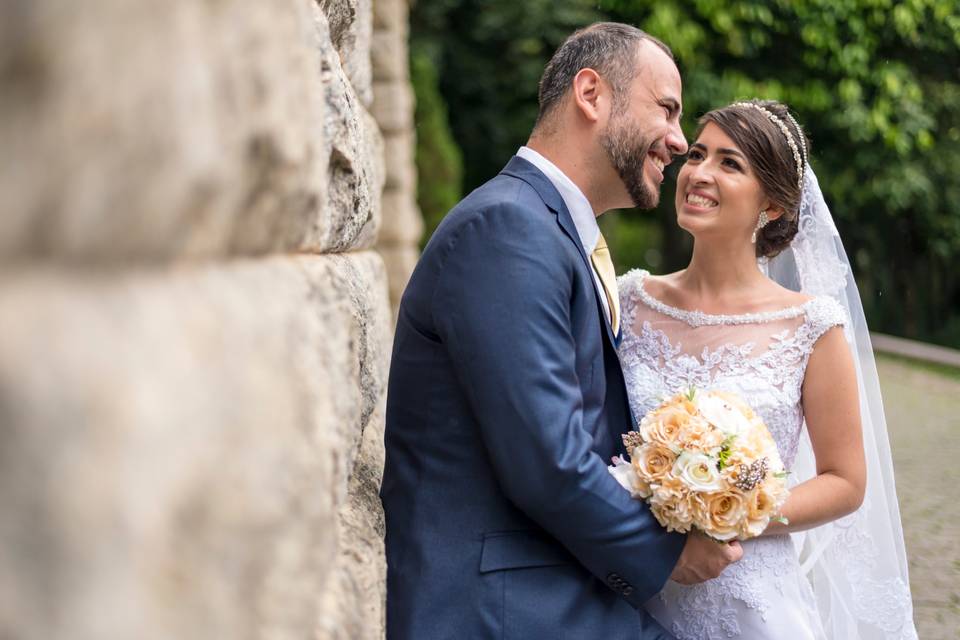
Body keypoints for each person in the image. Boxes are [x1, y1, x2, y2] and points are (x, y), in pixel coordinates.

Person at [380, 23, 741, 640]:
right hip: (501, 603)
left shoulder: (547, 231)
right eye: (667, 109)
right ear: (591, 94)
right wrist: (668, 555)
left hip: (551, 583)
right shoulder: (507, 230)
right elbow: (548, 460)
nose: (679, 141)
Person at [617, 99, 918, 639]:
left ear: (773, 205)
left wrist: (729, 512)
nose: (700, 174)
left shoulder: (811, 327)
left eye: (730, 164)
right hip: (631, 591)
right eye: (698, 155)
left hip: (750, 604)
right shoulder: (629, 300)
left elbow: (845, 482)